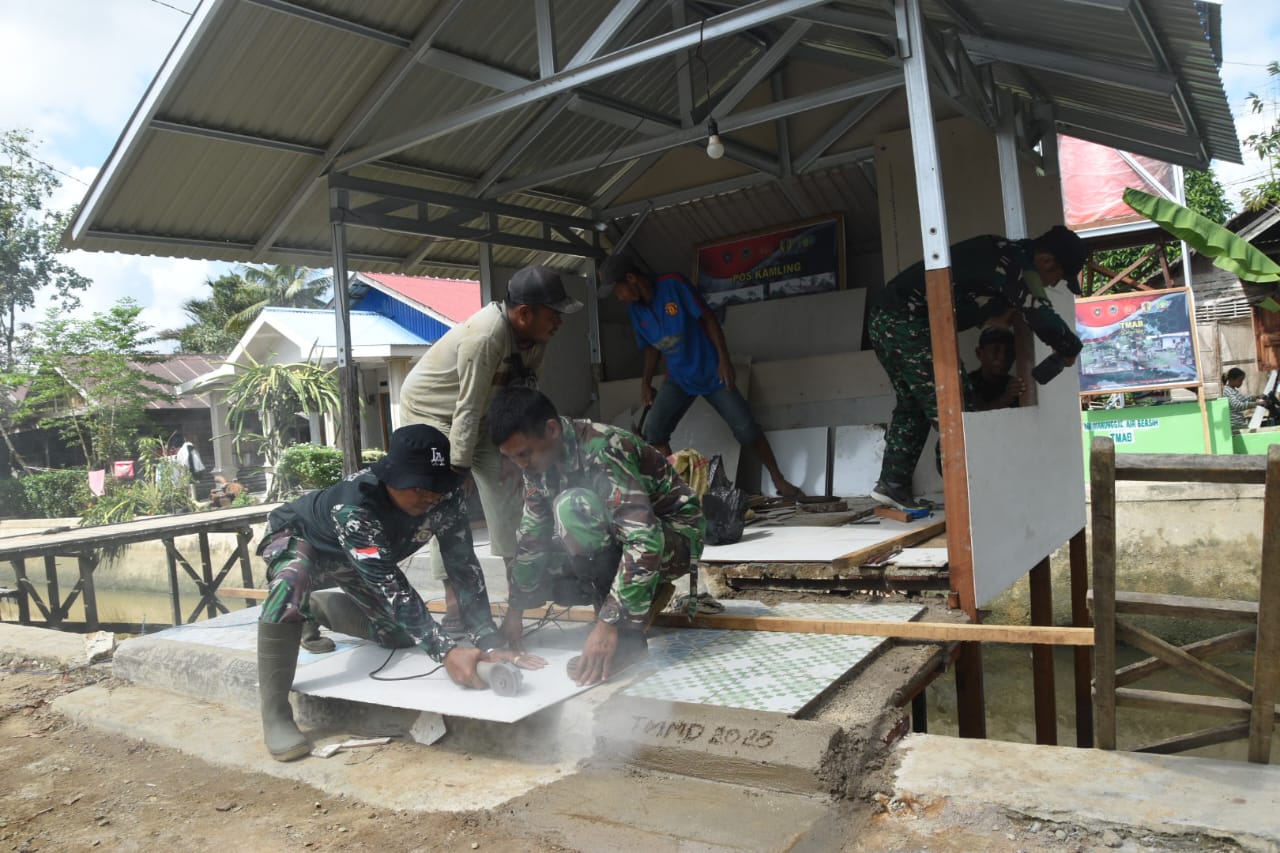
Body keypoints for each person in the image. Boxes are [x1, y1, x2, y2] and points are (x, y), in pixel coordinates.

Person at [253, 424, 542, 762]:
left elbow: (463, 566)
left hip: (358, 559)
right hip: (301, 540)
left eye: (436, 485)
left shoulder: (446, 499)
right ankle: (275, 712)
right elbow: (389, 584)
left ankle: (315, 609)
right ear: (391, 477)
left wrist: (488, 641)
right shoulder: (355, 507)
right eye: (418, 486)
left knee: (400, 635)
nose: (429, 495)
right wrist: (447, 652)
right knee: (291, 581)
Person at [400, 265, 583, 632]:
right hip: (433, 412)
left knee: (509, 487)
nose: (559, 322)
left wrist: (516, 454)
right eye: (553, 313)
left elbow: (522, 395)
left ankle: (521, 589)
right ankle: (455, 600)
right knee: (445, 502)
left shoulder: (535, 338)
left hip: (484, 413)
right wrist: (458, 469)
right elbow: (466, 407)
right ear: (525, 313)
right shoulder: (485, 337)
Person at [488, 386, 705, 687]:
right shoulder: (537, 465)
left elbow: (645, 540)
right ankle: (642, 596)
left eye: (524, 454)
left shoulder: (602, 448)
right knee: (539, 567)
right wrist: (515, 611)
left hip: (675, 539)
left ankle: (627, 641)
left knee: (573, 508)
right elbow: (532, 539)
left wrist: (608, 624)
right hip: (627, 538)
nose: (521, 464)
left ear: (551, 430)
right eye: (512, 458)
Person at [869, 226, 1087, 511]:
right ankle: (973, 503)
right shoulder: (1015, 265)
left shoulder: (1003, 258)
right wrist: (1070, 347)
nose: (1052, 283)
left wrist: (1000, 312)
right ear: (1047, 262)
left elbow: (987, 303)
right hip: (906, 321)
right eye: (1058, 277)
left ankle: (893, 483)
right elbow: (1040, 313)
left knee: (913, 404)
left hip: (886, 319)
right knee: (958, 410)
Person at [597, 254, 801, 499]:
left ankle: (779, 479)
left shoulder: (673, 285)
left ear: (631, 278)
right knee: (655, 432)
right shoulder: (635, 310)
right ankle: (680, 494)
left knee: (746, 429)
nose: (618, 297)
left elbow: (708, 318)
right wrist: (646, 383)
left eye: (618, 290)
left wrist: (724, 360)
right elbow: (651, 349)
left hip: (710, 372)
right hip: (679, 378)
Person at [967, 325, 1026, 411]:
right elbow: (973, 415)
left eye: (1009, 351)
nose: (1003, 357)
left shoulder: (1017, 387)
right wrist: (1006, 398)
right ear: (979, 353)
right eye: (995, 350)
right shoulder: (967, 384)